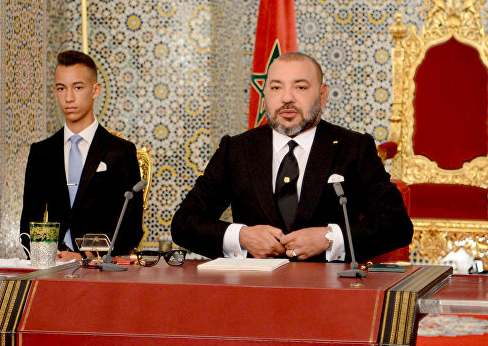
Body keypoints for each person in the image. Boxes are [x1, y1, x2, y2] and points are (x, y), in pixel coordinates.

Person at [171, 51, 412, 262]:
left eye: (300, 87)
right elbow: (184, 223)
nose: (287, 98)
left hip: (329, 289)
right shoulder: (236, 149)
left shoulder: (354, 148)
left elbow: (397, 225)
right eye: (276, 88)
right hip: (253, 288)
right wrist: (242, 237)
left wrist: (329, 238)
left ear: (322, 94)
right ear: (265, 94)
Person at [20, 50, 144, 260]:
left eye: (78, 87)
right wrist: (51, 255)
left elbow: (131, 229)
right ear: (55, 92)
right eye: (62, 88)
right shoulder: (41, 152)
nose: (68, 98)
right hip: (52, 266)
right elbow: (28, 223)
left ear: (95, 90)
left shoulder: (121, 152)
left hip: (101, 270)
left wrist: (87, 258)